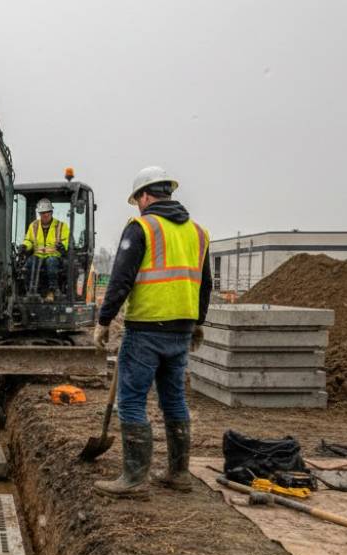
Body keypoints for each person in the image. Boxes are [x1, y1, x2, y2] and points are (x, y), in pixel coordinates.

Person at [92, 167, 212, 498]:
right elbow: (206, 283)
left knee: (131, 400)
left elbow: (121, 279)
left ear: (145, 196)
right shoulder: (198, 233)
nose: (137, 207)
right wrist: (198, 322)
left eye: (137, 201)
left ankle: (133, 480)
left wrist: (104, 321)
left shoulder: (142, 227)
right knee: (174, 399)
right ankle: (178, 473)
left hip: (146, 329)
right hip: (181, 331)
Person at [20, 198, 69, 302]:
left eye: (47, 212)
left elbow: (66, 240)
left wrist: (62, 246)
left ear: (51, 212)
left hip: (54, 256)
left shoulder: (61, 226)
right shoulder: (33, 226)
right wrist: (24, 246)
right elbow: (29, 240)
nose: (45, 215)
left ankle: (53, 290)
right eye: (42, 213)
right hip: (37, 255)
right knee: (28, 265)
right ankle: (30, 291)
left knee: (51, 263)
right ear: (39, 214)